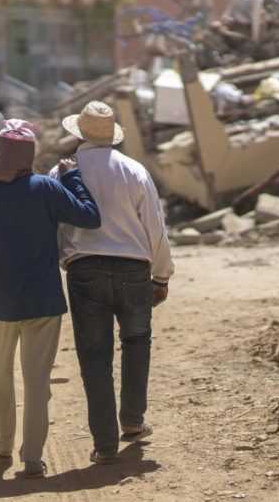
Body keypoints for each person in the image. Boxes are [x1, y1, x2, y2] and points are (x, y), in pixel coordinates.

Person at [0, 119, 101, 479]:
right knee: (37, 382)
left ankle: (1, 445)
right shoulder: (45, 189)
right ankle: (34, 458)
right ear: (29, 154)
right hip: (43, 302)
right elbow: (90, 217)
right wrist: (72, 179)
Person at [50, 101, 175, 465]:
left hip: (84, 271)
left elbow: (55, 224)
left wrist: (64, 259)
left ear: (79, 133)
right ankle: (133, 422)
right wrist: (162, 274)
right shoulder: (133, 170)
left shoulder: (62, 173)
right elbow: (155, 227)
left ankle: (105, 444)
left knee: (94, 357)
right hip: (134, 270)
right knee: (137, 343)